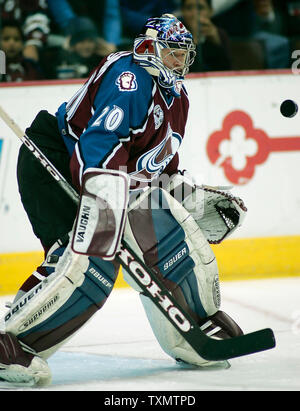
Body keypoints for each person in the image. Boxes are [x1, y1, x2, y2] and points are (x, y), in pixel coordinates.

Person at [0, 14, 245, 387]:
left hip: (99, 176)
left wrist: (188, 198)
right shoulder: (129, 81)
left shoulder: (178, 100)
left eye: (183, 55)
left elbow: (160, 168)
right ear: (149, 48)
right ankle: (12, 340)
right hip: (53, 161)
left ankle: (192, 327)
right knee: (77, 258)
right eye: (172, 53)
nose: (180, 63)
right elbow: (94, 154)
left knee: (163, 236)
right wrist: (107, 203)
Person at [179, 0, 233, 72]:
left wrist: (217, 42)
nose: (195, 13)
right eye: (189, 8)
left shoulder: (220, 34)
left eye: (200, 8)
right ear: (183, 12)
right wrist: (194, 40)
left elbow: (228, 70)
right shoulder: (175, 36)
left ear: (210, 11)